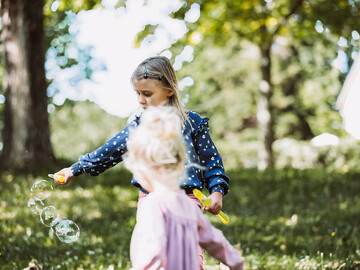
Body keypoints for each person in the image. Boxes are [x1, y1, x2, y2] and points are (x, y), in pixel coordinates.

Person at [54, 56, 231, 268]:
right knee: (150, 257)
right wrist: (75, 169)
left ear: (169, 90)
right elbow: (110, 150)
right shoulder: (140, 124)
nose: (140, 100)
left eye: (147, 94)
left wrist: (217, 191)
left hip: (188, 201)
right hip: (150, 201)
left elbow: (212, 161)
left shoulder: (192, 123)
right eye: (137, 94)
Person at [124, 106, 243, 270]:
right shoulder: (189, 205)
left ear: (141, 175)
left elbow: (153, 252)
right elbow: (213, 240)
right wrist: (234, 261)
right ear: (181, 166)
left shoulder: (151, 207)